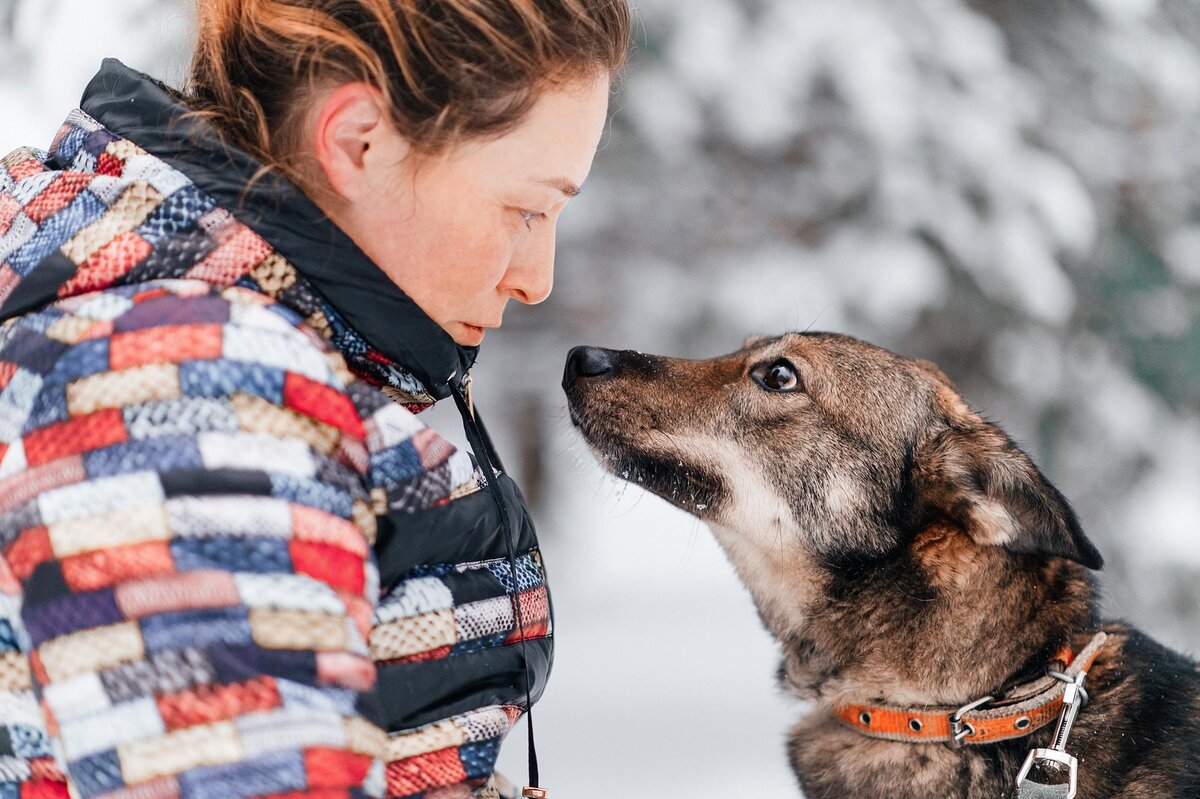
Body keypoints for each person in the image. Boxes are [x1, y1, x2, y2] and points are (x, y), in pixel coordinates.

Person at [0, 1, 629, 797]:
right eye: (527, 208)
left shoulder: (205, 346)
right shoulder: (182, 387)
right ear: (356, 141)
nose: (535, 277)